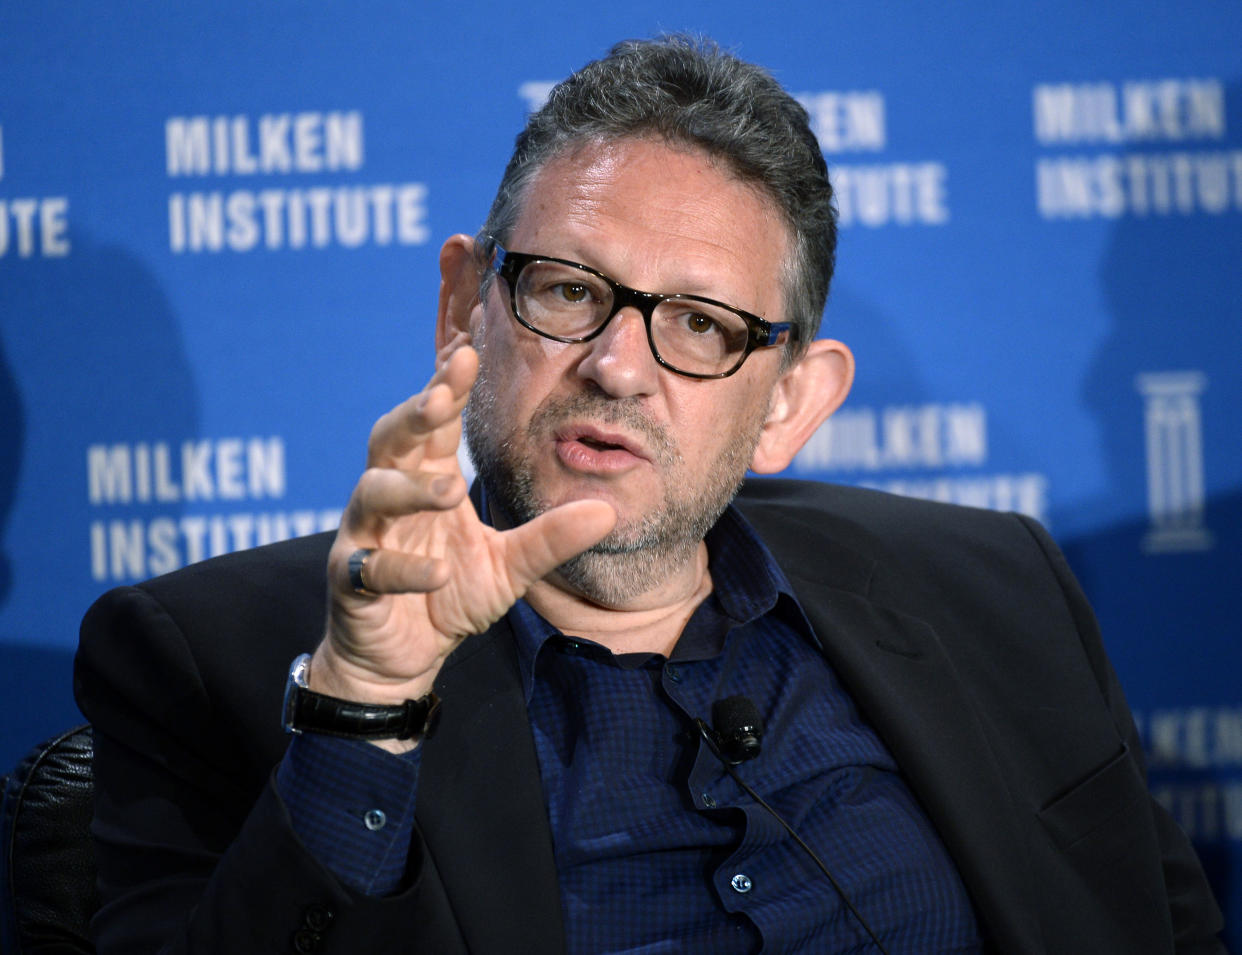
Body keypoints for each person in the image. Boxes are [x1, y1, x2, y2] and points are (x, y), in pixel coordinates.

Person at [75, 36, 1223, 955]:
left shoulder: (995, 588)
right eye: (570, 290)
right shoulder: (213, 660)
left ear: (788, 403)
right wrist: (367, 706)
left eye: (699, 324)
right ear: (465, 306)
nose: (617, 365)